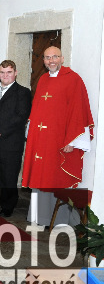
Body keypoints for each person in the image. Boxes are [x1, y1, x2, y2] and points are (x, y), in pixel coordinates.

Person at [22, 46, 94, 189]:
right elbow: (37, 109)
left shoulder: (73, 79)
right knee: (40, 176)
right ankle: (40, 204)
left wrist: (72, 141)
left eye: (55, 57)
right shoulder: (42, 79)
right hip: (41, 139)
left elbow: (78, 112)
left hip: (59, 139)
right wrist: (32, 134)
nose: (51, 61)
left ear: (62, 59)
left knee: (55, 177)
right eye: (47, 58)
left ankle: (55, 204)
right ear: (43, 61)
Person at [0, 60, 32, 217]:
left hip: (10, 142)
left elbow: (21, 116)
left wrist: (0, 131)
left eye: (9, 72)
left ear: (15, 73)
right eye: (2, 72)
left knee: (8, 176)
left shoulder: (23, 92)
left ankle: (8, 205)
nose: (5, 75)